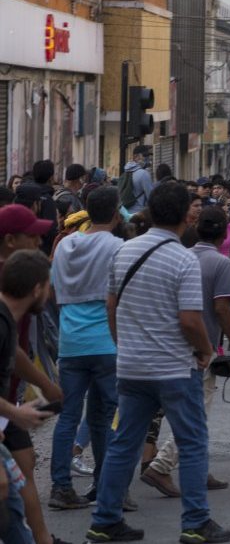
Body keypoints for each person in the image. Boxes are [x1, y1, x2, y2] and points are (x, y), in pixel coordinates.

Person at [88, 181, 229, 544]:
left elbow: (110, 306)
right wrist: (204, 351)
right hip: (173, 369)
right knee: (193, 441)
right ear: (187, 215)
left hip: (132, 367)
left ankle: (105, 520)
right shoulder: (183, 259)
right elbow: (189, 320)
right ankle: (196, 522)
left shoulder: (124, 251)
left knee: (123, 443)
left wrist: (125, 345)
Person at [141, 206, 230, 495]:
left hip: (168, 345)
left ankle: (198, 468)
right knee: (196, 414)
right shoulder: (220, 263)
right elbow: (222, 309)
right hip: (201, 349)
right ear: (224, 232)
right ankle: (161, 466)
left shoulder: (181, 256)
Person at [48, 187, 124, 511]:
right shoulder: (119, 247)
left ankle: (61, 486)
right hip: (106, 342)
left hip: (71, 342)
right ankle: (105, 486)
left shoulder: (65, 245)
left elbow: (53, 289)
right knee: (104, 417)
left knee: (68, 416)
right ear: (116, 214)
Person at [0, 251, 57, 544]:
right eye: (48, 286)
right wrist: (15, 412)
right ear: (37, 289)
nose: (50, 294)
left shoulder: (7, 320)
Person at [120, 146, 154, 214]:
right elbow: (151, 197)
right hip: (139, 214)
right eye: (145, 155)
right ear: (135, 157)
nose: (148, 158)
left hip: (125, 213)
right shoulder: (144, 174)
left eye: (148, 156)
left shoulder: (125, 173)